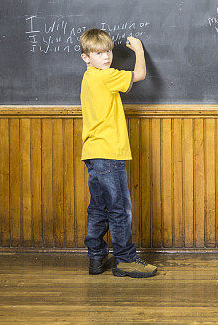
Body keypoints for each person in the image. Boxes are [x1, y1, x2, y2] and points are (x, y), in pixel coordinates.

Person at [79, 28, 158, 278]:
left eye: (109, 51)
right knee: (120, 207)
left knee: (98, 208)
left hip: (93, 152)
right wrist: (139, 50)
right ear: (86, 57)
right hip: (109, 152)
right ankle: (125, 260)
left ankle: (96, 257)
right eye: (99, 52)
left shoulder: (89, 77)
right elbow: (141, 74)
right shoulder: (106, 77)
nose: (107, 57)